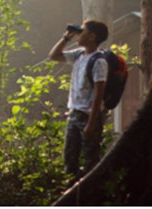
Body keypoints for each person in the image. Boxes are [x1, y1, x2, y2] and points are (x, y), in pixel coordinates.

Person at [48, 19, 109, 181]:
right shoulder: (79, 55)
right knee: (70, 157)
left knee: (90, 158)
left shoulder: (99, 61)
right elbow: (54, 55)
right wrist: (66, 38)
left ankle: (91, 195)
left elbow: (99, 93)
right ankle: (71, 191)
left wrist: (91, 122)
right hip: (74, 114)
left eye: (82, 31)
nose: (78, 34)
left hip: (88, 116)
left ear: (92, 37)